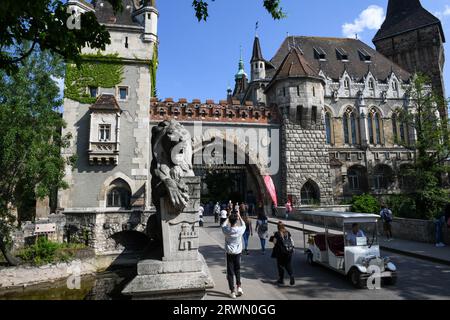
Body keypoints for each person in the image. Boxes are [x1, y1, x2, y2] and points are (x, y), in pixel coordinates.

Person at [222, 212, 246, 299]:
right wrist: (239, 217)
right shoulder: (240, 230)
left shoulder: (226, 230)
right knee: (237, 270)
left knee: (230, 272)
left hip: (229, 253)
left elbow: (223, 225)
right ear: (236, 221)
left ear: (230, 221)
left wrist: (228, 218)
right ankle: (239, 287)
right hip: (238, 253)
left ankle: (232, 291)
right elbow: (244, 224)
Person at [270, 221, 295, 286]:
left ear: (278, 227)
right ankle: (291, 275)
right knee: (288, 264)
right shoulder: (287, 232)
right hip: (289, 251)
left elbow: (274, 242)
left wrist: (273, 238)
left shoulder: (277, 233)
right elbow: (290, 240)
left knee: (280, 265)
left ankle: (281, 279)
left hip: (281, 252)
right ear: (284, 226)